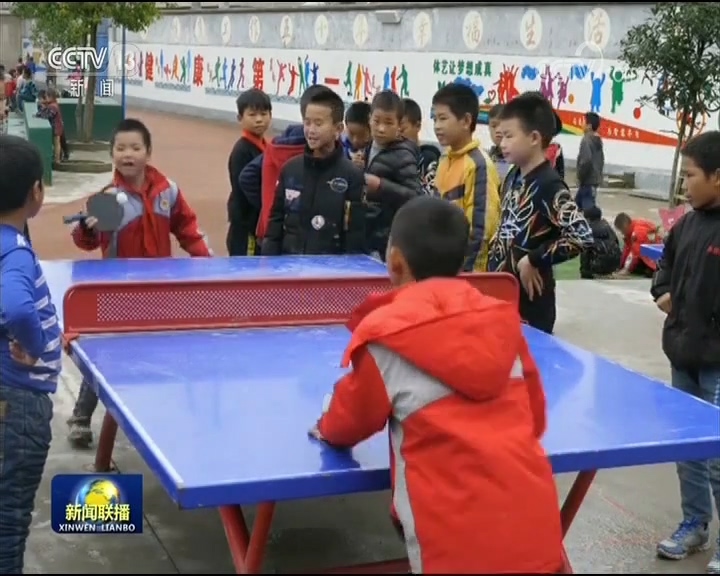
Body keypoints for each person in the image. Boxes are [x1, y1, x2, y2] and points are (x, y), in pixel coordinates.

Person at [311, 196, 564, 574]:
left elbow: (349, 420)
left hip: (451, 550)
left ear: (394, 261)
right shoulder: (503, 326)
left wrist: (325, 426)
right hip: (536, 535)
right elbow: (536, 418)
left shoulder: (386, 341)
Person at [68, 118, 212, 446]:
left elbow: (187, 228)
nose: (127, 154)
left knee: (158, 350)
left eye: (135, 147)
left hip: (159, 290)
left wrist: (208, 264)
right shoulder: (106, 198)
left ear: (148, 152)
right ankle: (81, 416)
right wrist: (87, 229)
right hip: (117, 292)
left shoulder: (167, 191)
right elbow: (86, 241)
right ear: (112, 154)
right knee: (105, 353)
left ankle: (152, 413)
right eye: (120, 148)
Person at [650, 130, 720, 574]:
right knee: (687, 448)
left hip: (718, 364)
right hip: (683, 355)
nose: (684, 185)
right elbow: (664, 266)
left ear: (718, 177)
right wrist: (662, 292)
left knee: (717, 457)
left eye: (690, 175)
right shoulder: (687, 225)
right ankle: (695, 523)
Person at [0, 135, 61, 573]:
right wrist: (35, 346)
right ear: (35, 192)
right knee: (8, 518)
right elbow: (19, 308)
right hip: (18, 405)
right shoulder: (15, 253)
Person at [487, 91, 593, 334]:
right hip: (502, 295)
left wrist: (534, 259)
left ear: (534, 137)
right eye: (501, 136)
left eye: (509, 136)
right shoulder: (513, 176)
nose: (502, 143)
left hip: (531, 304)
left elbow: (581, 235)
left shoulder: (549, 185)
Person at [261, 89, 366, 256]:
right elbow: (275, 224)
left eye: (318, 123)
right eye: (307, 122)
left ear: (338, 129)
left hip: (329, 269)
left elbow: (355, 237)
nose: (311, 130)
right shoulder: (290, 170)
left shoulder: (352, 176)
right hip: (289, 265)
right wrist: (268, 261)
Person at [239, 85, 334, 243]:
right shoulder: (313, 150)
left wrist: (268, 205)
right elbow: (247, 177)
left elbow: (248, 176)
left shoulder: (277, 145)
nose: (259, 119)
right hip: (299, 234)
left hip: (271, 231)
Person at [431, 83, 501, 272]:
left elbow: (481, 230)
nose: (437, 126)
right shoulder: (444, 159)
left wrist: (465, 272)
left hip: (467, 273)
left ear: (466, 121)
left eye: (443, 118)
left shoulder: (478, 165)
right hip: (442, 266)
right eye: (435, 119)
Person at [363, 90, 423, 259]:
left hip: (389, 237)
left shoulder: (403, 155)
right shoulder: (369, 146)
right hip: (368, 232)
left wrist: (380, 185)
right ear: (369, 119)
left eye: (388, 123)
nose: (381, 128)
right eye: (377, 121)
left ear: (399, 125)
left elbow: (415, 196)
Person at [226, 88, 272, 256]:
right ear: (240, 118)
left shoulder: (267, 147)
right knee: (246, 267)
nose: (259, 119)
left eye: (264, 114)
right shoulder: (242, 150)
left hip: (258, 221)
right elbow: (242, 190)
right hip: (246, 225)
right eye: (252, 115)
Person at [400, 97, 441, 195]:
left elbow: (431, 196)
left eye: (402, 130)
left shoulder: (428, 158)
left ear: (418, 126)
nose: (398, 135)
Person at [613, 212, 662, 277]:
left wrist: (626, 270)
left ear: (625, 226)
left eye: (621, 230)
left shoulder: (637, 232)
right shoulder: (631, 230)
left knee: (642, 269)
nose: (622, 233)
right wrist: (621, 266)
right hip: (651, 253)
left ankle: (652, 269)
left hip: (656, 257)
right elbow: (627, 249)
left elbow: (635, 253)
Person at [579, 206, 621, 279]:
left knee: (584, 247)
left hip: (598, 266)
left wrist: (584, 272)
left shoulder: (587, 229)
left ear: (587, 219)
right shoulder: (607, 226)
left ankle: (590, 273)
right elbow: (616, 243)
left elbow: (585, 253)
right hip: (615, 264)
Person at [575, 112, 604, 210]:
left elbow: (586, 161)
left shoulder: (586, 140)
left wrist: (580, 176)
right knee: (576, 208)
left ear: (589, 126)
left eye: (584, 122)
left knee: (587, 211)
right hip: (593, 182)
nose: (582, 124)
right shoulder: (598, 140)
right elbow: (601, 160)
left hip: (587, 182)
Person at [36, 88, 65, 164]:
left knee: (56, 143)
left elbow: (49, 115)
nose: (45, 98)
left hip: (56, 127)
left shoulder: (53, 106)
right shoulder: (52, 105)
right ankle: (57, 157)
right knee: (56, 143)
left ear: (51, 97)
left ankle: (57, 159)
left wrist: (40, 114)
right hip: (56, 127)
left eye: (46, 96)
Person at [342, 100, 372, 166]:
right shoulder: (340, 149)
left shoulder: (374, 151)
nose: (355, 140)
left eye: (361, 135)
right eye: (351, 134)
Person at [487, 103, 512, 181]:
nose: (498, 130)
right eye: (494, 126)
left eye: (502, 125)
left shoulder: (519, 159)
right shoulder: (486, 158)